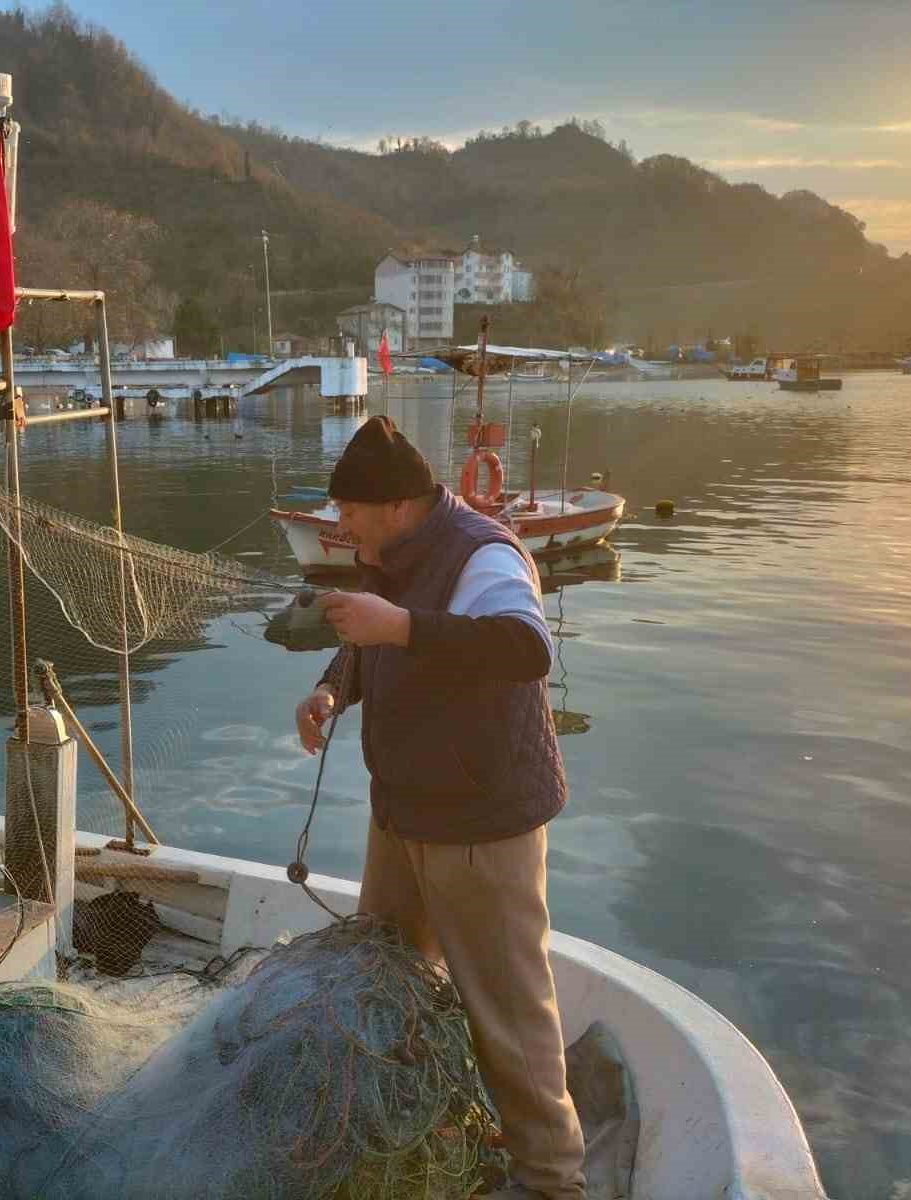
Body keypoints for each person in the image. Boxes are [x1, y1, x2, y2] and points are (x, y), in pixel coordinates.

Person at [293, 415, 585, 1200]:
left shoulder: (482, 552)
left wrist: (403, 626)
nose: (340, 525)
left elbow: (527, 648)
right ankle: (420, 1127)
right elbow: (371, 640)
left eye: (349, 511)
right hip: (405, 815)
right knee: (385, 977)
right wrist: (331, 688)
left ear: (394, 504)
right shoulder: (389, 554)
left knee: (509, 1014)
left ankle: (553, 1180)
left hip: (480, 825)